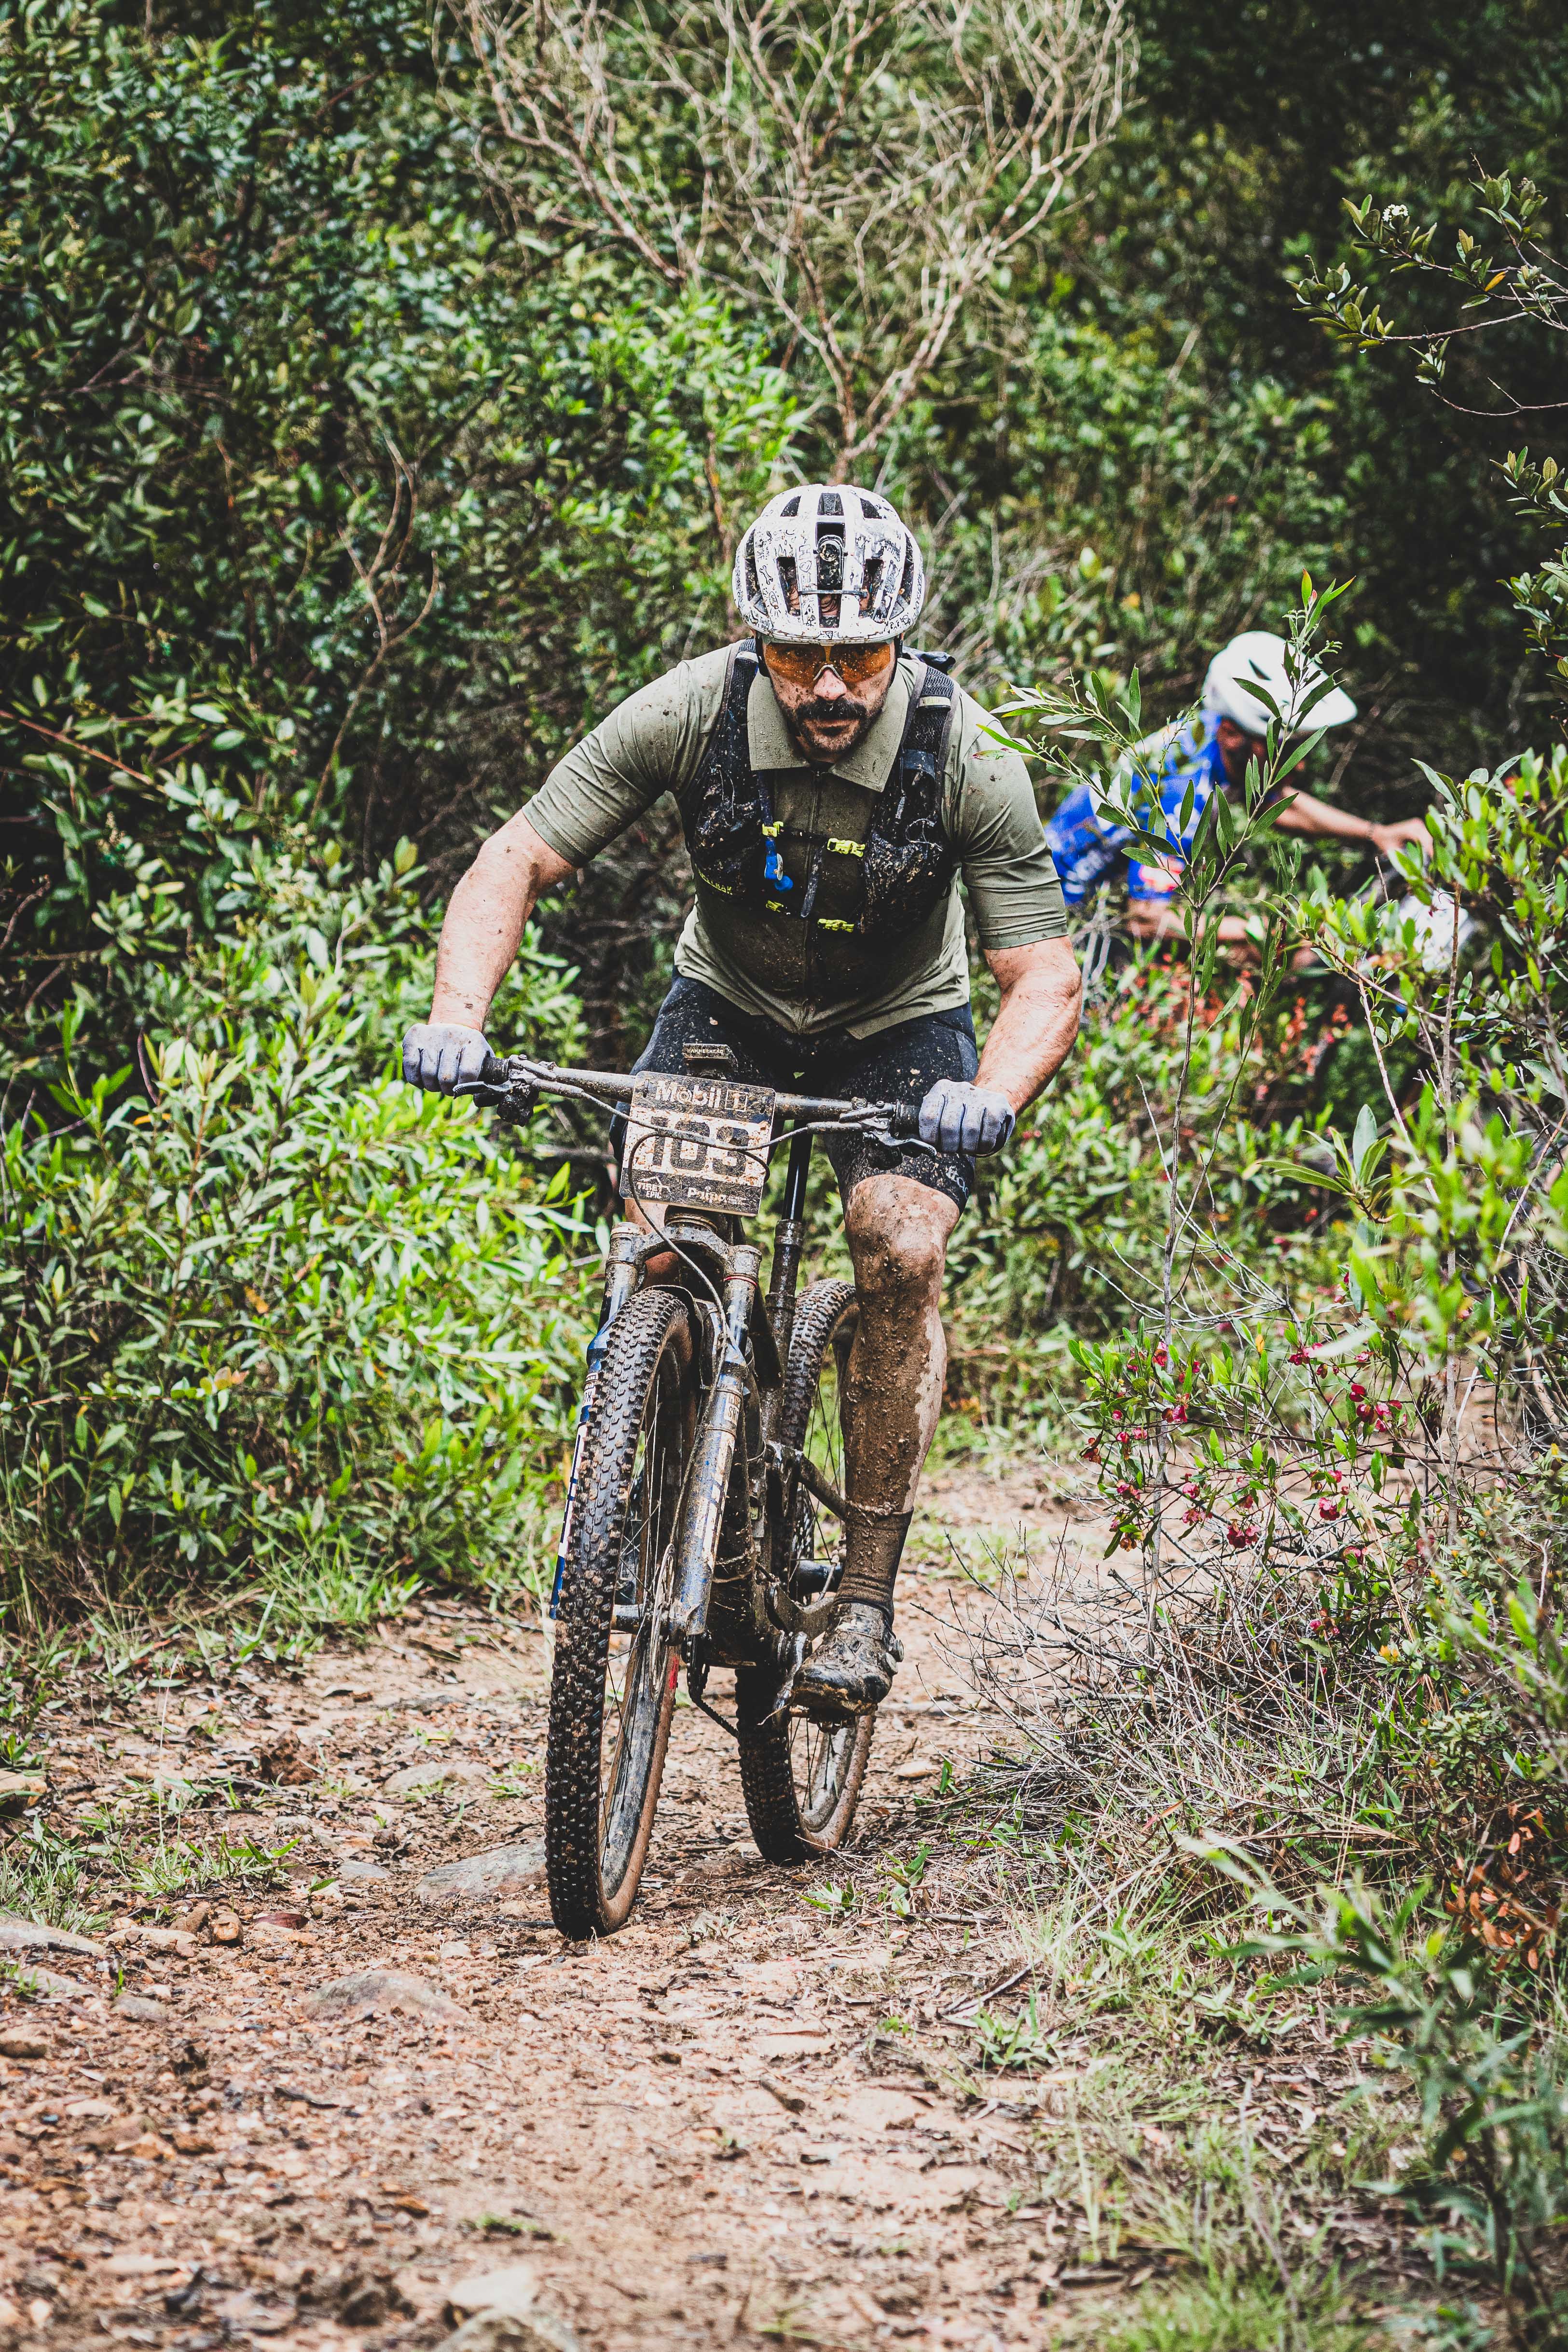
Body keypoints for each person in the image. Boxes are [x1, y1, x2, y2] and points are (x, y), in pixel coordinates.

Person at [402, 485, 1082, 1714]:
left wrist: (988, 1092)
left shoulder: (968, 754)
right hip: (727, 1015)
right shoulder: (689, 713)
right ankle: (658, 1505)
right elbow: (517, 856)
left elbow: (1042, 972)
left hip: (896, 1030)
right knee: (666, 1236)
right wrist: (459, 1020)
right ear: (756, 643)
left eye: (859, 656)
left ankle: (864, 1597)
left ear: (902, 642)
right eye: (799, 655)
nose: (829, 687)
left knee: (900, 1242)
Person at [1044, 630, 1432, 946]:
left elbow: (1277, 804)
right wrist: (1263, 934)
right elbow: (1146, 917)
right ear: (1233, 734)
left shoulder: (1211, 736)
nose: (1296, 763)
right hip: (1061, 914)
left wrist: (1375, 833)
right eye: (1284, 747)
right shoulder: (1185, 790)